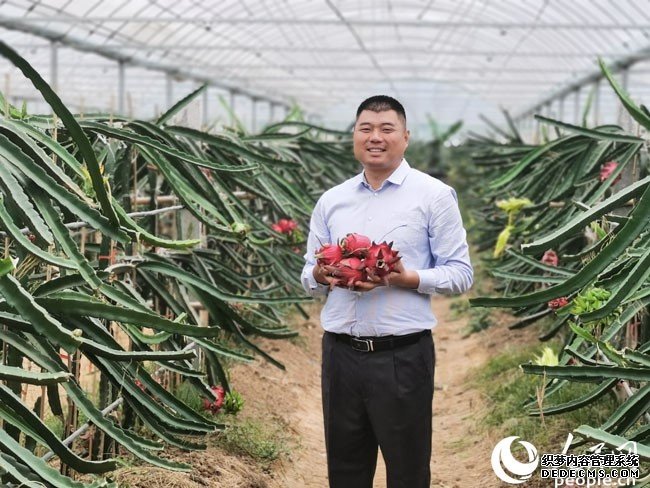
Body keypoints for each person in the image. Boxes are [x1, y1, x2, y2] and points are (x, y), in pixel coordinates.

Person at [301, 95, 473, 488]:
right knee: (345, 470)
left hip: (403, 355)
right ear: (354, 136)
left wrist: (404, 277)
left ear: (405, 137)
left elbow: (461, 274)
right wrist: (324, 273)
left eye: (386, 129)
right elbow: (307, 276)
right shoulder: (332, 201)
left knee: (408, 470)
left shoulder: (434, 196)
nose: (375, 137)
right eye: (366, 128)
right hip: (340, 353)